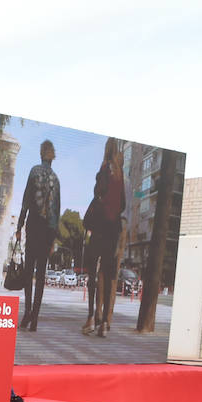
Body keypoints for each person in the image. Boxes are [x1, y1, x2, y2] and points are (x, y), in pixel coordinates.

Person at [81, 137, 126, 337]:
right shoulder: (120, 174)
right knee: (108, 277)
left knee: (93, 275)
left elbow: (97, 191)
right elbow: (123, 204)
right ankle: (105, 324)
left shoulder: (104, 167)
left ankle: (91, 317)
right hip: (113, 231)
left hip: (99, 230)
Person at [15, 139, 60, 333]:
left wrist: (19, 226)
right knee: (41, 275)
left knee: (29, 271)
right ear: (53, 156)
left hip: (33, 226)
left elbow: (26, 201)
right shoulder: (56, 179)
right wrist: (53, 238)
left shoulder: (34, 172)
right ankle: (35, 319)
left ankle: (27, 312)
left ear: (41, 153)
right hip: (47, 231)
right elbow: (56, 211)